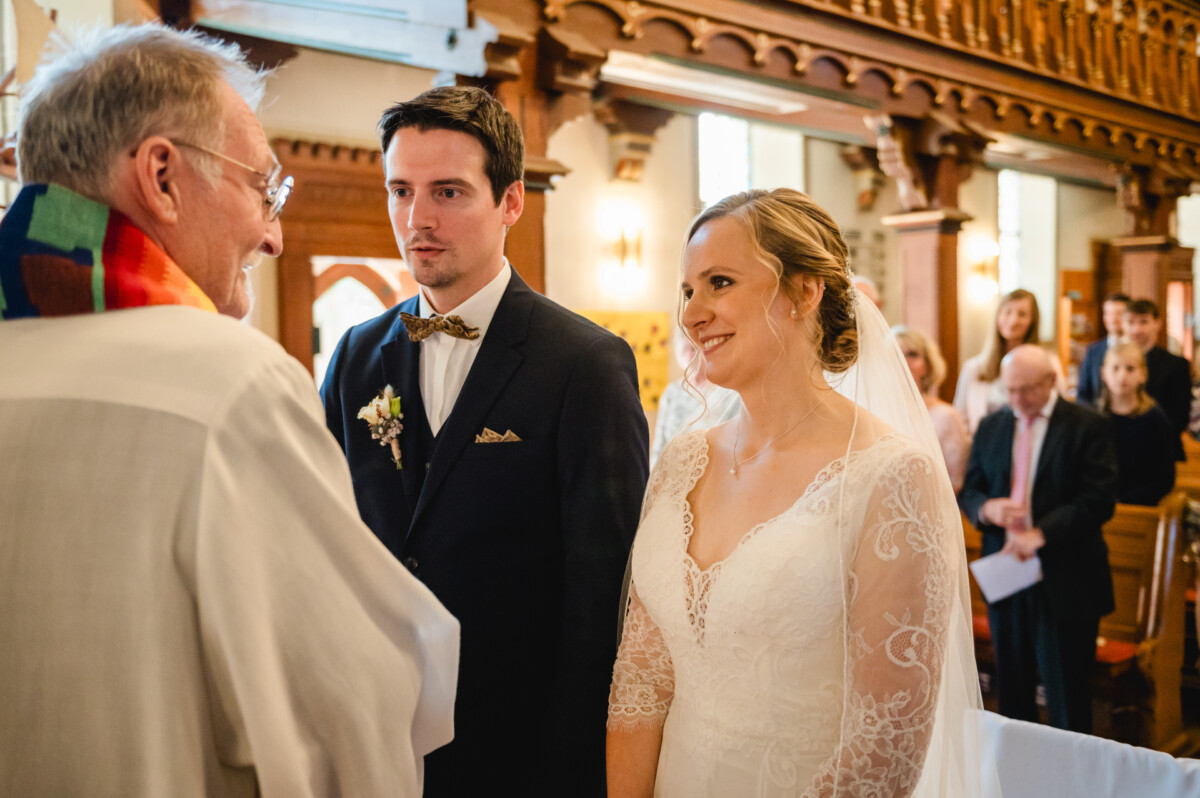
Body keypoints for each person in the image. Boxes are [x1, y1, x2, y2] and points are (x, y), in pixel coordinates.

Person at [0, 24, 458, 798]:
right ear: (163, 178)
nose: (273, 235)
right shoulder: (231, 386)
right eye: (263, 187)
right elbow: (348, 707)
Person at [320, 86, 649, 797]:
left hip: (516, 743)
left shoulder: (583, 363)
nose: (417, 219)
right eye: (400, 190)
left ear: (511, 202)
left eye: (448, 192)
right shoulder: (355, 355)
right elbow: (322, 536)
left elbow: (603, 592)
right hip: (375, 730)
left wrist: (567, 768)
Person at [607, 189, 987, 797]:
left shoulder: (891, 477)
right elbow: (641, 682)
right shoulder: (683, 460)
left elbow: (880, 752)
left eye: (719, 282)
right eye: (687, 291)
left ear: (805, 291)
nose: (691, 313)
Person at [959, 345, 1117, 734]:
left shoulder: (1086, 425)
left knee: (1066, 692)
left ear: (1050, 381)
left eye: (1026, 389)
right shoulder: (993, 426)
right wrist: (986, 509)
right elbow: (970, 490)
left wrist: (1041, 533)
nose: (1016, 399)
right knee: (1011, 689)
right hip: (1007, 570)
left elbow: (1099, 499)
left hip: (1065, 574)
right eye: (1009, 390)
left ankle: (1071, 783)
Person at [954, 288, 1066, 434]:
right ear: (998, 316)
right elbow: (960, 418)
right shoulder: (973, 368)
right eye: (1007, 312)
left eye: (1022, 314)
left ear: (1032, 321)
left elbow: (1061, 410)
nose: (1013, 321)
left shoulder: (1049, 363)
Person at [894, 325, 971, 492]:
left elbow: (955, 481)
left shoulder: (946, 416)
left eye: (912, 354)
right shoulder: (873, 412)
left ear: (927, 366)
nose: (904, 361)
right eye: (896, 354)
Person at [1098, 342, 1177, 505]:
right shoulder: (1095, 418)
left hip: (1140, 509)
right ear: (1103, 373)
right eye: (1115, 368)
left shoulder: (1154, 418)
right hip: (1100, 506)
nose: (1122, 376)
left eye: (1130, 369)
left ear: (1143, 375)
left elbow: (1164, 478)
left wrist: (1125, 501)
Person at [651, 333, 739, 466]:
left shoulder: (728, 393)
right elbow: (660, 446)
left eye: (693, 349)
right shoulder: (672, 392)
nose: (689, 357)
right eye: (683, 351)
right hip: (672, 475)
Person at [1122, 298, 1191, 461]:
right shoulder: (1114, 363)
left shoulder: (1176, 364)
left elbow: (1180, 417)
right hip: (1121, 450)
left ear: (1157, 324)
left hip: (1162, 451)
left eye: (1143, 322)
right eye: (1130, 322)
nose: (1136, 329)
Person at [1075, 292, 1131, 406]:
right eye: (1108, 314)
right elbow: (1083, 394)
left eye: (1118, 314)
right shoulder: (1093, 351)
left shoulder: (1138, 350)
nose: (1113, 319)